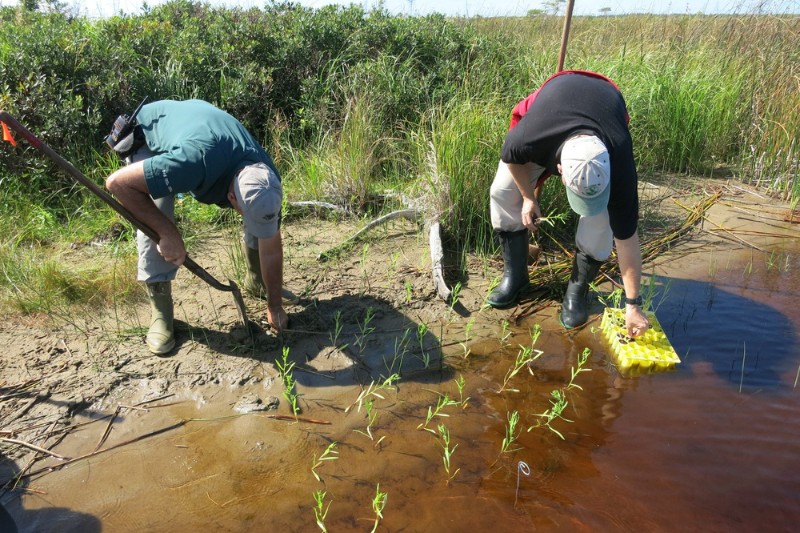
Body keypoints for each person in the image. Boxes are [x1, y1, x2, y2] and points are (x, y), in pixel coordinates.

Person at [104, 99, 288, 355]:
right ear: (231, 197)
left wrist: (275, 305)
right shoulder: (193, 163)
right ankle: (162, 314)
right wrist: (167, 233)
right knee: (158, 211)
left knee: (259, 217)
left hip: (198, 132)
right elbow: (117, 184)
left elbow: (271, 244)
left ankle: (257, 281)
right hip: (149, 134)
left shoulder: (266, 178)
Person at [487, 70, 651, 338]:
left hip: (605, 104)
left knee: (603, 221)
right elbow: (512, 160)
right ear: (559, 169)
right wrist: (528, 197)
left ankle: (577, 290)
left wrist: (633, 305)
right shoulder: (531, 135)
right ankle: (515, 277)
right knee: (502, 191)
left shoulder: (619, 159)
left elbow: (627, 239)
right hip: (556, 103)